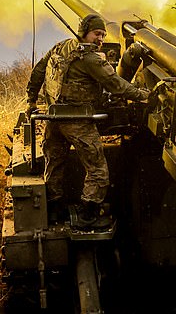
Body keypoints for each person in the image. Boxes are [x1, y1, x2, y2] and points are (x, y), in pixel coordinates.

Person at [26, 14, 149, 228]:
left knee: (55, 163)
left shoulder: (60, 47)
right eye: (96, 34)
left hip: (53, 118)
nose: (100, 39)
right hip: (78, 121)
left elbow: (39, 70)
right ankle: (88, 212)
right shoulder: (91, 59)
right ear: (84, 32)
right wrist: (143, 95)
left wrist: (31, 100)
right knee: (98, 169)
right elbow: (115, 84)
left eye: (102, 35)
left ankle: (55, 207)